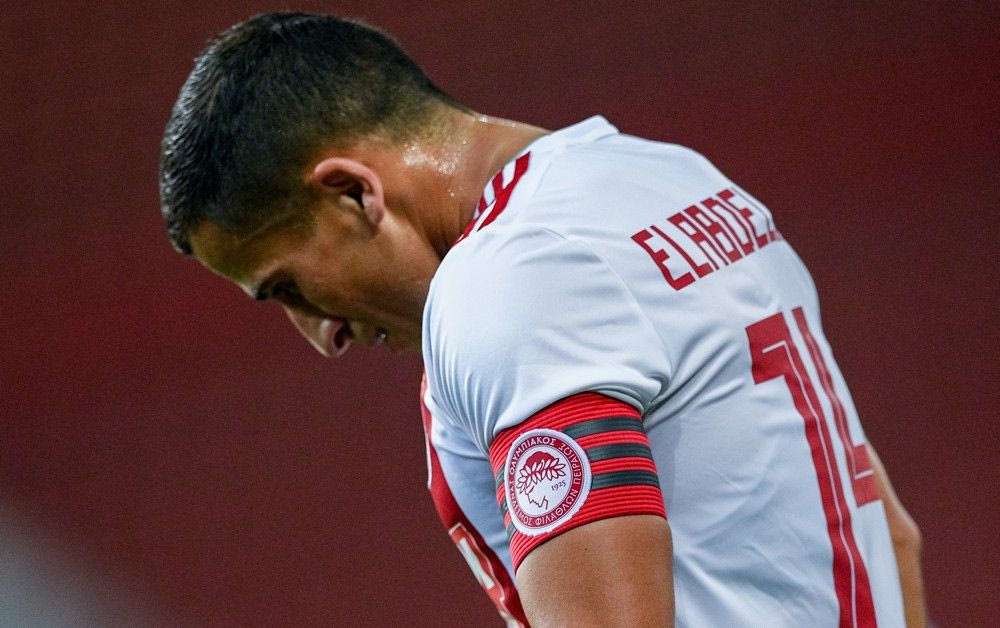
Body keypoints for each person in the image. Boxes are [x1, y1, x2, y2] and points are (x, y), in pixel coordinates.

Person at [159, 12, 926, 627]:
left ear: (353, 192)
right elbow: (888, 535)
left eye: (288, 286)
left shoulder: (510, 281)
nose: (320, 334)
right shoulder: (672, 178)